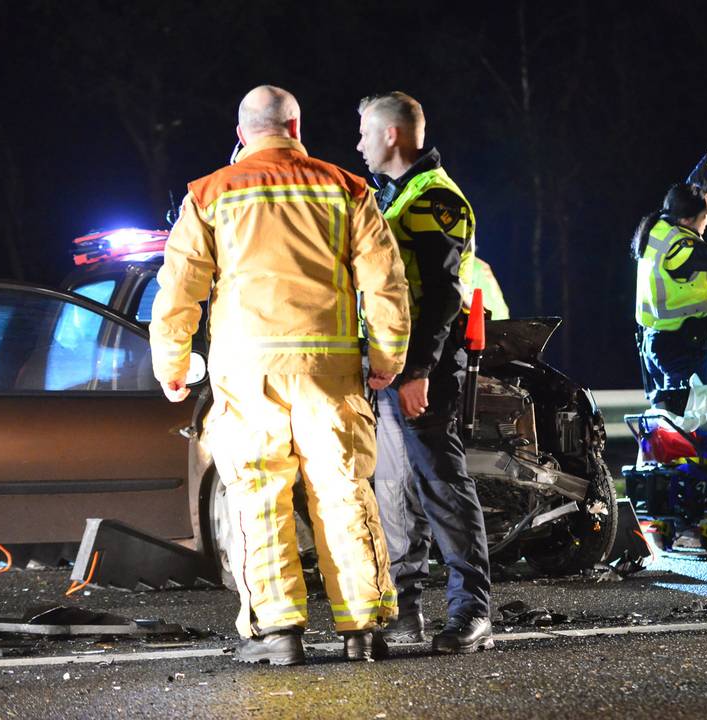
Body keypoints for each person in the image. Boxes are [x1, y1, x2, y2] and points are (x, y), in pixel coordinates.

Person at [150, 85, 410, 666]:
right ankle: (363, 629)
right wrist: (387, 358)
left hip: (247, 375)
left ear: (242, 134)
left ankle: (279, 634)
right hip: (329, 373)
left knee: (259, 498)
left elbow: (179, 290)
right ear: (295, 128)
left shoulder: (209, 193)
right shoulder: (347, 188)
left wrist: (172, 363)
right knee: (343, 493)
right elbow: (385, 283)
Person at [357, 91, 493, 654]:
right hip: (393, 368)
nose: (359, 144)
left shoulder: (436, 198)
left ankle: (471, 611)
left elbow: (442, 295)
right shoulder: (396, 195)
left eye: (365, 132)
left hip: (422, 370)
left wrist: (418, 372)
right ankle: (403, 611)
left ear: (391, 134)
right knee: (392, 490)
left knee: (442, 486)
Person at [633, 130, 707, 414]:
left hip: (657, 340)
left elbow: (689, 191)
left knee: (667, 413)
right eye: (705, 219)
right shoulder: (683, 251)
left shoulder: (663, 225)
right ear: (687, 220)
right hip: (680, 346)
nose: (706, 224)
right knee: (683, 416)